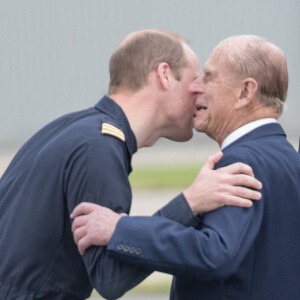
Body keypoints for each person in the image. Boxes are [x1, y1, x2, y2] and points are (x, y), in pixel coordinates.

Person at [0, 30, 261, 300]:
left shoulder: (69, 129)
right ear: (164, 75)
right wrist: (189, 204)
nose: (199, 92)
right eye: (195, 80)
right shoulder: (99, 148)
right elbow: (110, 277)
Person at [72, 35, 300, 300]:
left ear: (245, 92)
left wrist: (120, 229)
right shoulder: (289, 161)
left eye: (209, 77)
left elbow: (214, 252)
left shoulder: (240, 162)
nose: (196, 87)